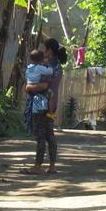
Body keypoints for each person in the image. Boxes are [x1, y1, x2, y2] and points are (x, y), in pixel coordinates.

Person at [23, 38, 67, 174]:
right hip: (51, 103)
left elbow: (44, 85)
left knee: (41, 134)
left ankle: (38, 165)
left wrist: (29, 86)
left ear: (50, 50)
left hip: (41, 103)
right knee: (49, 133)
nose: (43, 51)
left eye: (45, 49)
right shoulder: (57, 65)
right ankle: (52, 165)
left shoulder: (49, 67)